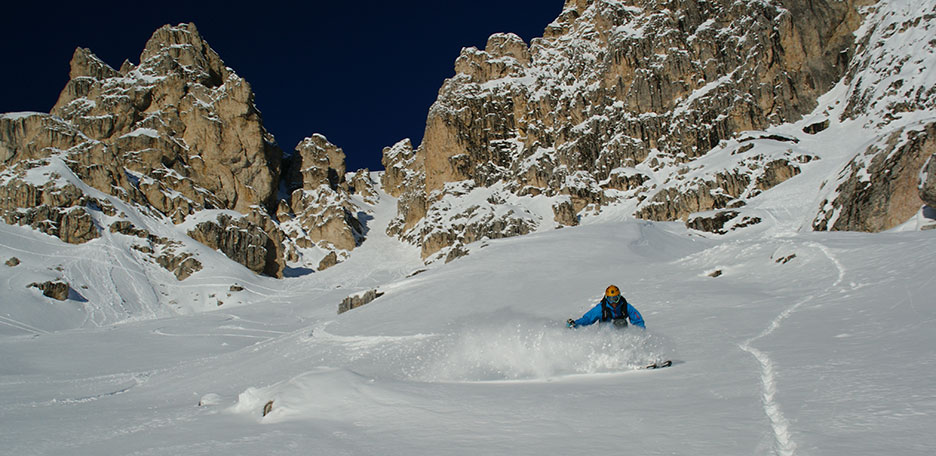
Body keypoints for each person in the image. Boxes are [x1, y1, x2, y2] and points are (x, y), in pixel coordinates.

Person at [567, 285, 645, 329]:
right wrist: (575, 324)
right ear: (606, 298)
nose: (613, 302)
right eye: (610, 299)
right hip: (606, 335)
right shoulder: (601, 309)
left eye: (615, 299)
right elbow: (588, 319)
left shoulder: (625, 307)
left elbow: (638, 321)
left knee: (620, 322)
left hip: (621, 334)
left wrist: (641, 335)